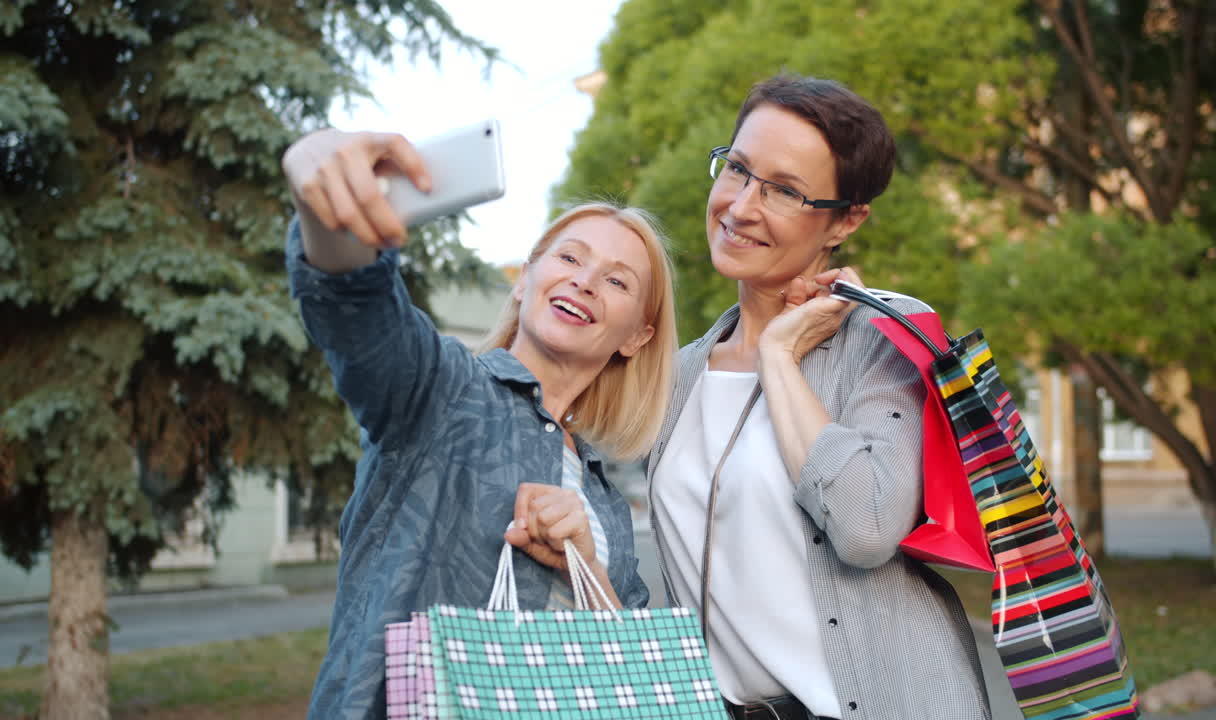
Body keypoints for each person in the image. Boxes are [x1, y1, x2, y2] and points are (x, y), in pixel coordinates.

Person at [281, 128, 678, 719]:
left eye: (617, 281)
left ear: (637, 337)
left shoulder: (608, 504)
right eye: (569, 257)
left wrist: (588, 567)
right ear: (524, 279)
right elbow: (355, 303)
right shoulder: (440, 388)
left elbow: (627, 675)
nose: (585, 280)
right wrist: (319, 181)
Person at [646, 74, 991, 720]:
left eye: (784, 190)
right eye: (739, 169)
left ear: (846, 220)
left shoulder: (886, 339)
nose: (742, 206)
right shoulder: (679, 376)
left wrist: (778, 355)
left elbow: (865, 527)